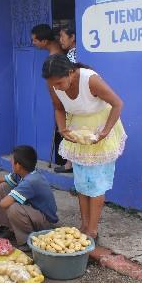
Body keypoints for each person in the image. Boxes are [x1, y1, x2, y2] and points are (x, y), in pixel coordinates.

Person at [42, 54, 127, 242]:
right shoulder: (53, 84)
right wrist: (62, 128)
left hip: (100, 131)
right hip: (78, 132)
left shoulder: (90, 80)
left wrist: (104, 132)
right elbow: (58, 108)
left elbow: (117, 104)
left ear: (71, 72)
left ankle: (93, 230)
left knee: (96, 184)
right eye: (53, 84)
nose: (56, 87)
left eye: (60, 83)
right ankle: (84, 225)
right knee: (81, 182)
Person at [0, 145, 58, 251]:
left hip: (45, 222)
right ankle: (7, 228)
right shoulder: (21, 173)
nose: (10, 162)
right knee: (3, 186)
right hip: (33, 212)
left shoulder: (31, 181)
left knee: (13, 208)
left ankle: (27, 240)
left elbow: (4, 204)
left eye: (12, 161)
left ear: (18, 166)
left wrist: (12, 195)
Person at [54, 24, 78, 173]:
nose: (60, 40)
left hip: (72, 99)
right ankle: (70, 163)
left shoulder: (72, 56)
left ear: (72, 37)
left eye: (62, 37)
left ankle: (70, 164)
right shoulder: (75, 53)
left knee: (71, 129)